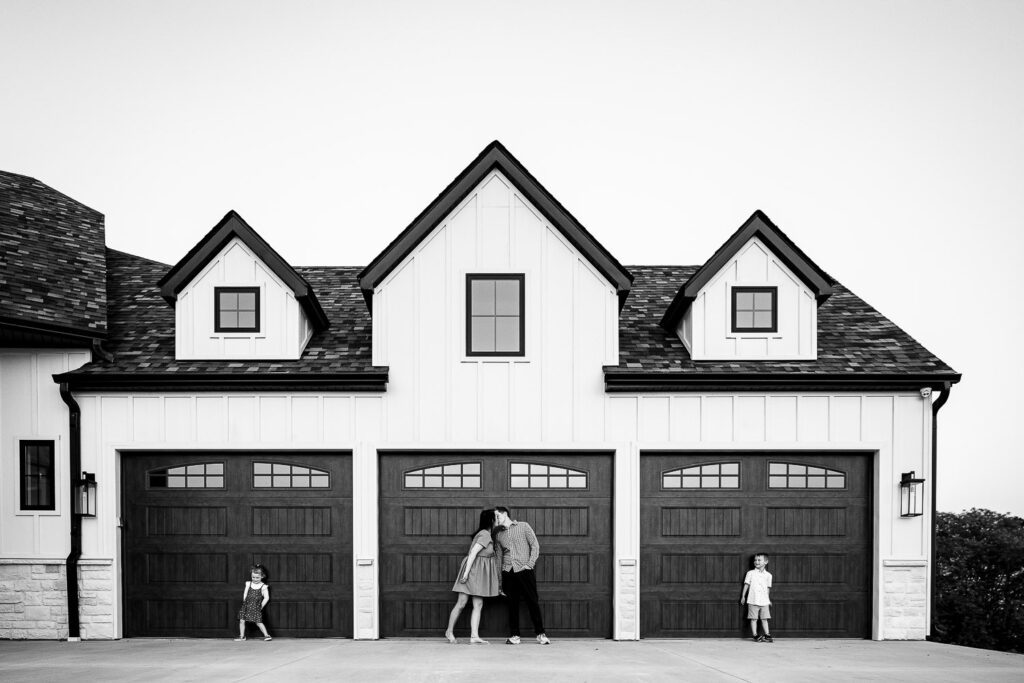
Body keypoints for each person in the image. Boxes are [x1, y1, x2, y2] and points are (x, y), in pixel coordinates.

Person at [493, 506, 550, 645]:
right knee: (512, 604)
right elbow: (499, 558)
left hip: (524, 570)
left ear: (504, 514)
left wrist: (529, 564)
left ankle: (541, 634)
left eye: (497, 516)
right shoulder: (499, 535)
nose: (496, 520)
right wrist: (500, 582)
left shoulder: (524, 526)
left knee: (532, 601)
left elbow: (535, 545)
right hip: (508, 571)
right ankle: (514, 635)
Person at [445, 509, 503, 644]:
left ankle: (474, 636)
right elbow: (473, 554)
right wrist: (465, 574)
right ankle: (449, 631)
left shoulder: (488, 534)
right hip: (472, 571)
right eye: (496, 517)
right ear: (491, 520)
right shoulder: (484, 534)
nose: (498, 519)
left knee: (478, 603)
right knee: (462, 603)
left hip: (479, 572)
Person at [739, 553, 773, 642]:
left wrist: (768, 600)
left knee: (764, 618)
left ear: (766, 562)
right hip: (753, 600)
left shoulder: (768, 575)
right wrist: (743, 596)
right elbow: (746, 585)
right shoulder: (750, 573)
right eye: (755, 560)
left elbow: (768, 588)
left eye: (759, 560)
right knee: (753, 618)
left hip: (764, 601)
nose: (756, 562)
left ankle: (767, 635)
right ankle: (755, 635)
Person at [235, 564, 271, 641]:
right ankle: (242, 636)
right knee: (242, 620)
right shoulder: (249, 583)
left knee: (258, 622)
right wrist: (245, 602)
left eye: (257, 577)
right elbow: (245, 593)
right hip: (246, 606)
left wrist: (261, 606)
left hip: (256, 606)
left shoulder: (263, 586)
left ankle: (267, 635)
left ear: (262, 576)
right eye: (253, 577)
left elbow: (266, 597)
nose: (255, 579)